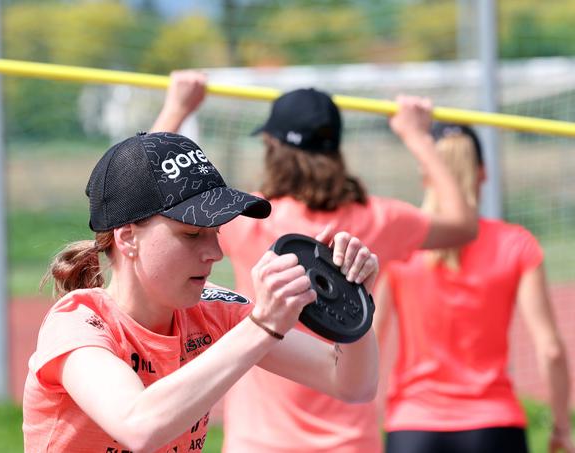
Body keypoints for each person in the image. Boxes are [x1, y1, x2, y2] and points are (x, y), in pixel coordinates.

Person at [151, 71, 478, 452]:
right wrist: (417, 136)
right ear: (335, 149)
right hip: (350, 443)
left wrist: (177, 108)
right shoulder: (379, 220)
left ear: (272, 146)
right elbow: (462, 224)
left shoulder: (249, 219)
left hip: (258, 443)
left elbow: (150, 196)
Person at [22, 131, 381, 452]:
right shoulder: (78, 323)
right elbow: (139, 426)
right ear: (128, 237)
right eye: (192, 234)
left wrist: (354, 302)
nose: (215, 253)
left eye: (217, 232)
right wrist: (261, 325)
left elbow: (351, 385)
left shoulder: (213, 311)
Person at [373, 123, 574, 453]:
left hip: (413, 427)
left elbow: (370, 338)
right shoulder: (517, 244)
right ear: (483, 173)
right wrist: (561, 428)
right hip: (494, 427)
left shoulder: (403, 245)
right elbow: (550, 349)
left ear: (426, 175)